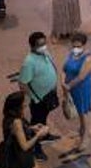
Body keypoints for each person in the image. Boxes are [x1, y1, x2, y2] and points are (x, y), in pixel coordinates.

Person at [20, 32, 63, 160]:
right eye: (40, 45)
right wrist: (33, 98)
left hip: (48, 95)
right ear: (32, 46)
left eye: (44, 43)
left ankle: (45, 135)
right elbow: (23, 83)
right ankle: (36, 149)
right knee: (37, 122)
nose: (44, 46)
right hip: (38, 99)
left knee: (44, 118)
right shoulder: (29, 62)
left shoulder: (45, 53)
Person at [63, 32, 91, 154]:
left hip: (82, 88)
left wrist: (68, 85)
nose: (76, 49)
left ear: (84, 45)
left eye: (78, 46)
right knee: (78, 110)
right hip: (71, 87)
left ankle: (86, 136)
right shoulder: (71, 54)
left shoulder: (88, 58)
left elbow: (81, 76)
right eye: (74, 46)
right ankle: (81, 129)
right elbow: (64, 68)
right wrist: (62, 81)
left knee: (83, 112)